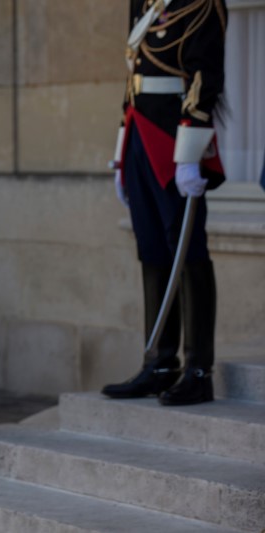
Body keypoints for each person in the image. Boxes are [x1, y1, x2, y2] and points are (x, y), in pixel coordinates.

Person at [102, 0, 227, 406]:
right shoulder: (143, 2)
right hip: (141, 132)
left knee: (188, 251)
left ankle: (197, 369)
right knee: (152, 249)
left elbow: (205, 75)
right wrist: (123, 147)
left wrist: (192, 148)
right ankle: (159, 361)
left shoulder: (203, 3)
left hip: (175, 137)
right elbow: (132, 75)